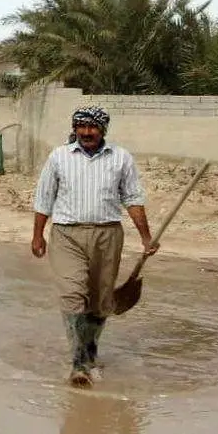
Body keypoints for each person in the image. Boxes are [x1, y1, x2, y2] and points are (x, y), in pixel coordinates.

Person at [30, 106, 157, 387]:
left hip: (107, 235)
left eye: (93, 127)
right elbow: (44, 199)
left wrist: (146, 237)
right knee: (72, 294)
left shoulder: (120, 158)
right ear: (74, 128)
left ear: (103, 130)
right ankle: (78, 362)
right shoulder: (59, 157)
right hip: (67, 235)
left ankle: (91, 349)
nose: (87, 132)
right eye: (81, 127)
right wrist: (38, 235)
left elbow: (133, 199)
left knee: (100, 300)